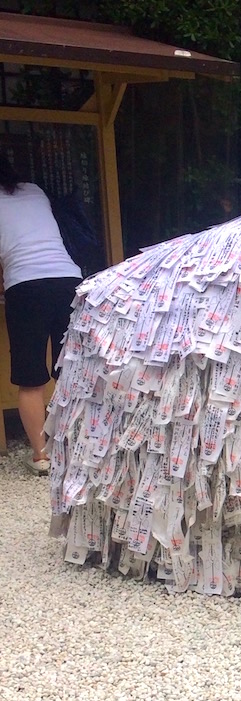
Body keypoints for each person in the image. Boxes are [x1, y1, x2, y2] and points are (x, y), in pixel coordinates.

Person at [0, 155, 82, 475]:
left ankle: (41, 456)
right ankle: (75, 445)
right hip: (68, 280)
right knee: (70, 370)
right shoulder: (35, 190)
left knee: (31, 377)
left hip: (25, 288)